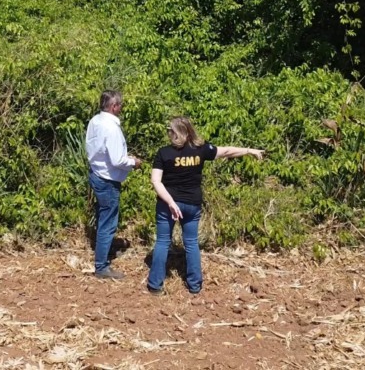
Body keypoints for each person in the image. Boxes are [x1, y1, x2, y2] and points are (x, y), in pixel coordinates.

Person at [147, 117, 264, 295]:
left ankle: (155, 286)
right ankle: (195, 286)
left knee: (163, 242)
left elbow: (156, 181)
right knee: (192, 243)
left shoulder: (164, 153)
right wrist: (249, 150)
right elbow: (226, 151)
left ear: (179, 133)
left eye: (170, 130)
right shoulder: (201, 150)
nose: (168, 133)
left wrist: (171, 203)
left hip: (167, 205)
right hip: (192, 204)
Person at [85, 90, 142, 279]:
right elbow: (117, 160)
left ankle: (104, 252)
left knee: (103, 216)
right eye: (120, 105)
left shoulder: (95, 121)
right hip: (107, 178)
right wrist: (134, 162)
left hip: (96, 173)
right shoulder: (111, 128)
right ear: (114, 106)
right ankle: (101, 266)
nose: (121, 108)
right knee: (108, 222)